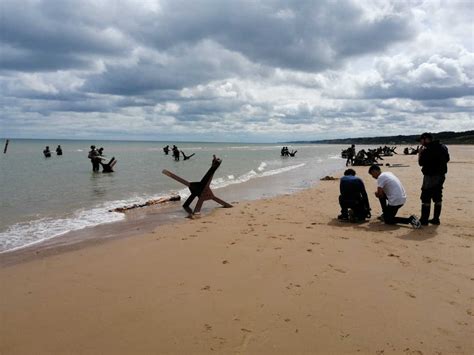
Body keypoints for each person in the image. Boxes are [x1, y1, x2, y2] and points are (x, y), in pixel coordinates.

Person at [418, 132, 450, 225]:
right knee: (437, 196)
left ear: (426, 139)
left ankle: (424, 220)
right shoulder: (443, 147)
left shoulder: (428, 150)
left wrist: (420, 153)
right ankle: (436, 219)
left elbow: (421, 163)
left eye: (421, 140)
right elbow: (447, 159)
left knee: (426, 197)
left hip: (430, 176)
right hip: (441, 175)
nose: (421, 143)